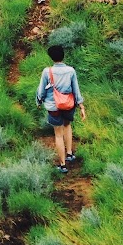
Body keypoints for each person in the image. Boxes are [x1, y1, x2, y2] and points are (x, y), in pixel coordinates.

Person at [36, 44, 86, 173]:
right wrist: (81, 106)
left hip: (54, 106)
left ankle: (62, 165)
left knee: (58, 135)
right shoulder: (71, 70)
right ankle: (70, 154)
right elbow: (76, 89)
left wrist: (39, 101)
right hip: (69, 104)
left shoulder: (47, 71)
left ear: (52, 57)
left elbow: (41, 91)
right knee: (67, 126)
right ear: (63, 55)